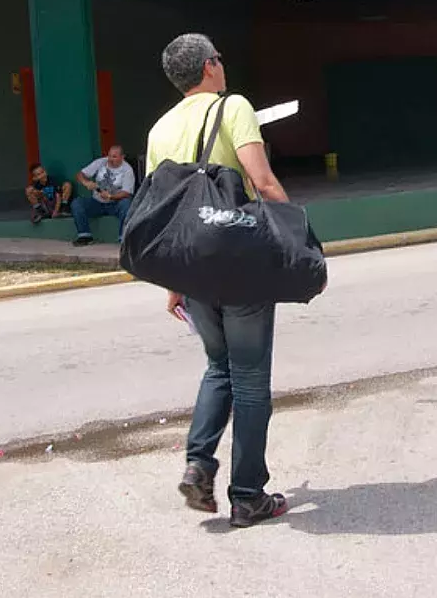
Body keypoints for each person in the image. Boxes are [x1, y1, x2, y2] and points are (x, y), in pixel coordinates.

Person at [149, 33, 293, 529]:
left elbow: (162, 213)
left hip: (191, 269)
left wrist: (173, 282)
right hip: (238, 262)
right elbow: (263, 179)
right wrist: (298, 237)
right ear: (211, 65)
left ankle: (199, 463)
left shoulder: (159, 129)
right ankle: (248, 495)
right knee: (251, 379)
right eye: (220, 58)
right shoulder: (233, 107)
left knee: (219, 367)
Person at [71, 145, 136, 246]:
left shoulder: (127, 169)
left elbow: (127, 193)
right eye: (109, 156)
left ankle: (123, 238)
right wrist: (86, 183)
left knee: (126, 203)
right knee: (77, 203)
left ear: (122, 157)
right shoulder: (100, 162)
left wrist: (110, 196)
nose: (110, 159)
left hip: (115, 203)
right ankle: (85, 236)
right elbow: (80, 174)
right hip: (96, 202)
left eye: (114, 157)